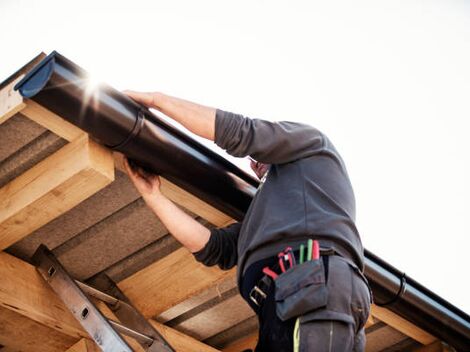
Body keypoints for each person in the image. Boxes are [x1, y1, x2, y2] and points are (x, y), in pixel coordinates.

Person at [123, 91, 371, 352]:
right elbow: (215, 248)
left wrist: (156, 100)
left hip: (312, 288)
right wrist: (153, 196)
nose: (254, 164)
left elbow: (242, 132)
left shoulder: (313, 145)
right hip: (285, 304)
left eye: (259, 156)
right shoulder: (269, 218)